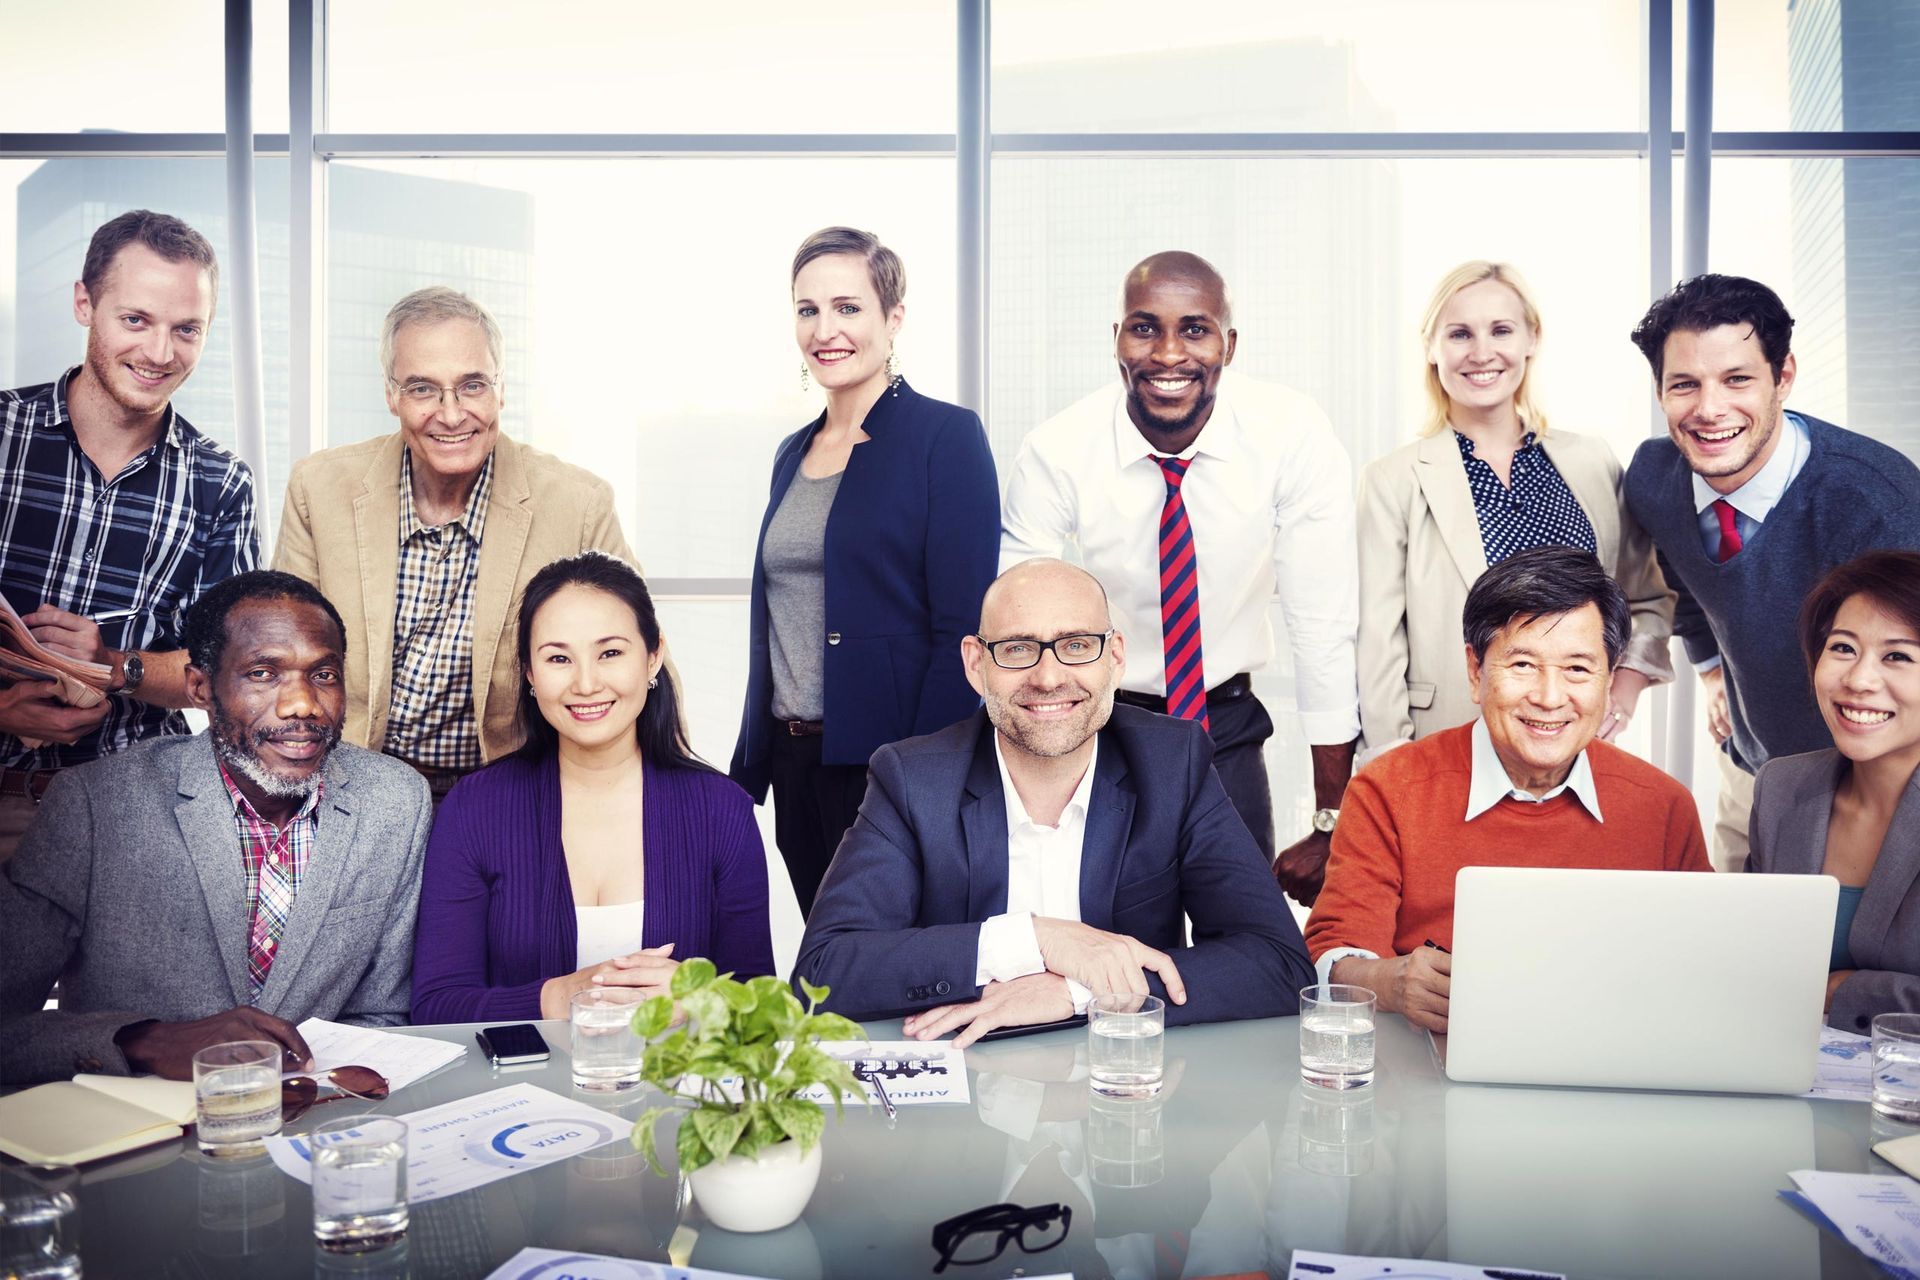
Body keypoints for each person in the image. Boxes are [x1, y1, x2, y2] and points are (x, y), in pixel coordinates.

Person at [795, 558, 1313, 1045]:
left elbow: (1278, 963)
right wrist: (1036, 940)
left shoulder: (1173, 763)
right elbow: (822, 974)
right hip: (973, 1078)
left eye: (1077, 645)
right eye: (1018, 648)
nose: (1047, 677)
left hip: (1125, 1083)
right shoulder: (913, 779)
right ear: (976, 664)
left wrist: (1077, 993)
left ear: (1115, 658)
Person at [1000, 250, 1358, 907]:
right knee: (1112, 944)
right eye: (1144, 328)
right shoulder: (1058, 450)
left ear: (1230, 344)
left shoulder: (1289, 435)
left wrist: (1331, 821)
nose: (1168, 354)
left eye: (1195, 329)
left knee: (1250, 936)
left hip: (1226, 723)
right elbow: (1020, 629)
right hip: (1104, 725)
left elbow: (1322, 627)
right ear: (1116, 340)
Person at [0, 571, 431, 1085]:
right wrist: (145, 1041)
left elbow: (383, 1016)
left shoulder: (394, 801)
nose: (303, 704)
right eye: (263, 673)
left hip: (318, 1114)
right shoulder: (95, 805)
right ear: (200, 687)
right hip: (141, 1121)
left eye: (323, 674)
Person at [1305, 547, 1710, 1033]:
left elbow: (1704, 965)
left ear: (1609, 677)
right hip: (1431, 1056)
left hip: (1613, 1054)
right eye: (1522, 665)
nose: (1549, 698)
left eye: (1578, 669)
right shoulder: (1389, 788)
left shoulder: (1663, 806)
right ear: (1476, 671)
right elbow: (1335, 956)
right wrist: (1391, 982)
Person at [274, 286, 639, 802]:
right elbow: (280, 660)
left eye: (472, 386)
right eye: (423, 389)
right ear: (391, 395)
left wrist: (675, 804)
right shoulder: (319, 488)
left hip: (512, 788)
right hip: (351, 782)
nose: (450, 415)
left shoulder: (579, 505)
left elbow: (640, 663)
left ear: (501, 390)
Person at [730, 227, 999, 918]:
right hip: (794, 762)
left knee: (890, 959)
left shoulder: (945, 438)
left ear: (893, 317)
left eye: (848, 308)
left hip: (887, 769)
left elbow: (962, 629)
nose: (826, 330)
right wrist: (752, 762)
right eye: (808, 310)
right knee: (827, 960)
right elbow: (778, 619)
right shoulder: (792, 453)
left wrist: (922, 777)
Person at [1623, 273, 1920, 871]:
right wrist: (1711, 670)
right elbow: (1680, 581)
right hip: (1751, 771)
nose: (1710, 409)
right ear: (1660, 391)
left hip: (1874, 789)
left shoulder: (1875, 502)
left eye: (1737, 379)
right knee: (1735, 926)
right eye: (1685, 384)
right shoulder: (1654, 480)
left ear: (1783, 377)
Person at [412, 553, 774, 1022]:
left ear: (653, 656)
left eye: (610, 653)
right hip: (522, 1071)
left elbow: (764, 1006)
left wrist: (703, 1000)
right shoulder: (473, 809)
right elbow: (436, 1007)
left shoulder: (722, 810)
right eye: (559, 658)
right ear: (530, 674)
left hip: (674, 1069)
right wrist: (563, 996)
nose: (586, 684)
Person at [0, 210, 258, 861]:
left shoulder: (221, 483)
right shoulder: (2, 436)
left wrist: (112, 666)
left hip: (135, 815)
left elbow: (227, 673)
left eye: (186, 329)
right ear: (84, 304)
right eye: (136, 320)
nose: (160, 354)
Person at [1359, 261, 1674, 756]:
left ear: (1532, 338)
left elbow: (1646, 599)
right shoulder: (1393, 480)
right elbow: (1379, 642)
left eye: (1501, 330)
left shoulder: (1592, 461)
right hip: (1448, 740)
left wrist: (1622, 693)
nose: (1482, 352)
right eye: (1460, 334)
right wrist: (1395, 765)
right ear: (1431, 348)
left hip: (1574, 743)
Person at [1748, 551, 1920, 1032]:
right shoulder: (1781, 789)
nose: (1858, 680)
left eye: (1898, 656)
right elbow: (1750, 959)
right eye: (1843, 648)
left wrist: (1845, 994)